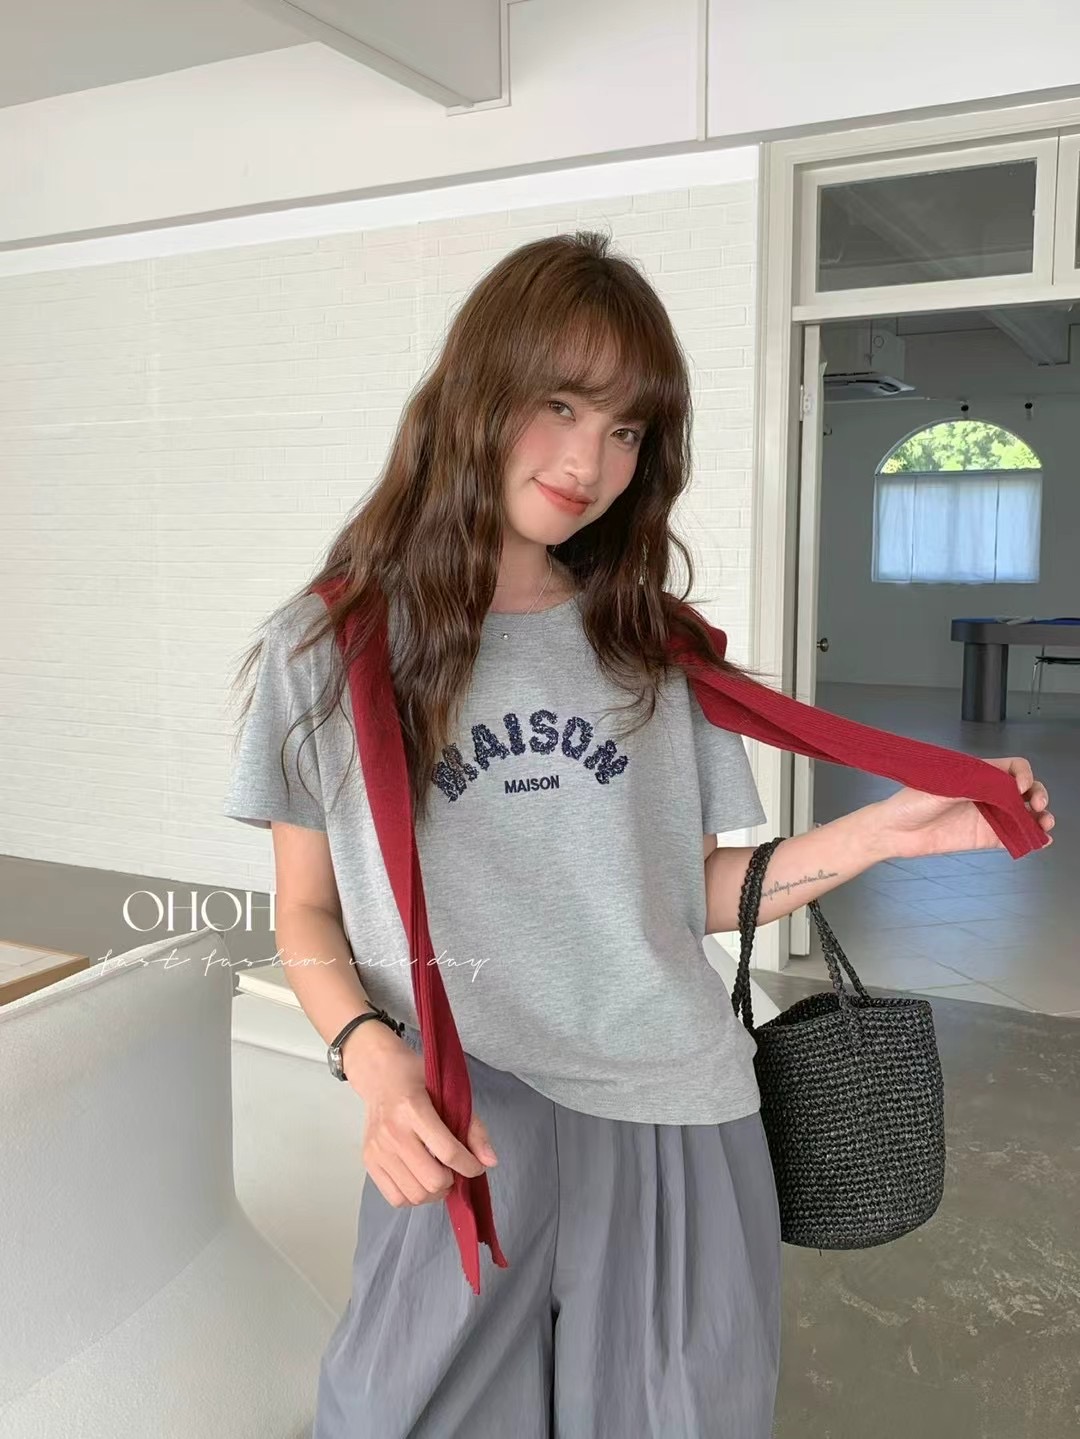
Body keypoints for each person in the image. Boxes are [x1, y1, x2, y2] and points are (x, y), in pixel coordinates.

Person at [223, 230, 1055, 1438]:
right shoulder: (331, 647)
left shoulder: (650, 644)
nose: (589, 462)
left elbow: (689, 889)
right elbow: (307, 909)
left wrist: (883, 836)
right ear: (476, 390)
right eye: (561, 405)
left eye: (627, 431)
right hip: (469, 1117)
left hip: (678, 1108)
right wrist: (372, 1057)